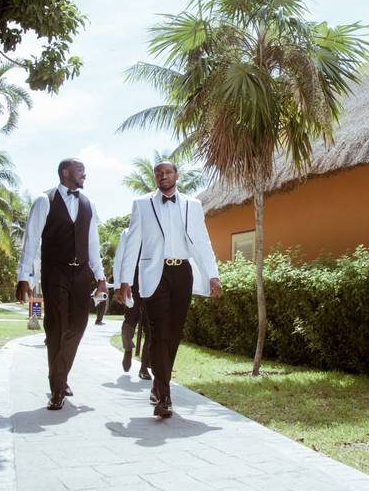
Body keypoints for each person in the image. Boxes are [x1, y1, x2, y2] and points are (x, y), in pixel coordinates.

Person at [117, 161, 221, 418]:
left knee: (174, 334)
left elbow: (203, 240)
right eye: (158, 173)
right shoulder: (142, 204)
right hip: (155, 274)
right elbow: (132, 243)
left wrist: (213, 274)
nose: (163, 176)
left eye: (167, 173)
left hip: (182, 272)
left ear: (176, 175)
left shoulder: (192, 205)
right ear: (155, 177)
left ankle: (157, 383)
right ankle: (164, 396)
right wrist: (124, 280)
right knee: (159, 332)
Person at [17, 158, 107, 410]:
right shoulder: (44, 200)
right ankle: (58, 388)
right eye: (81, 171)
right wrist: (24, 276)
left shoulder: (88, 204)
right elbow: (31, 240)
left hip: (82, 275)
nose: (84, 175)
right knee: (56, 327)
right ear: (66, 172)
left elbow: (93, 244)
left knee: (78, 325)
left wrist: (100, 277)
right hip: (54, 272)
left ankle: (59, 376)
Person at [113, 227, 151, 380]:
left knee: (151, 326)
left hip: (152, 279)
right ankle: (128, 349)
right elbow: (119, 259)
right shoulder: (127, 232)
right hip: (132, 280)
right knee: (130, 320)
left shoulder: (157, 229)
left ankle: (144, 367)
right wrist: (117, 285)